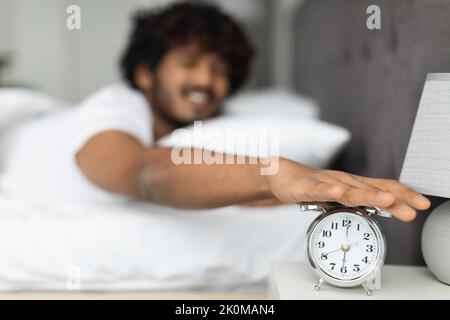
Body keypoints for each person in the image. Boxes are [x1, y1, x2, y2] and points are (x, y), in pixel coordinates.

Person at [1, 2, 430, 221]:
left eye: (221, 70)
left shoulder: (205, 131)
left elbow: (232, 197)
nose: (207, 82)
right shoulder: (117, 105)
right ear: (146, 74)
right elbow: (146, 175)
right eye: (189, 63)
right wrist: (274, 173)